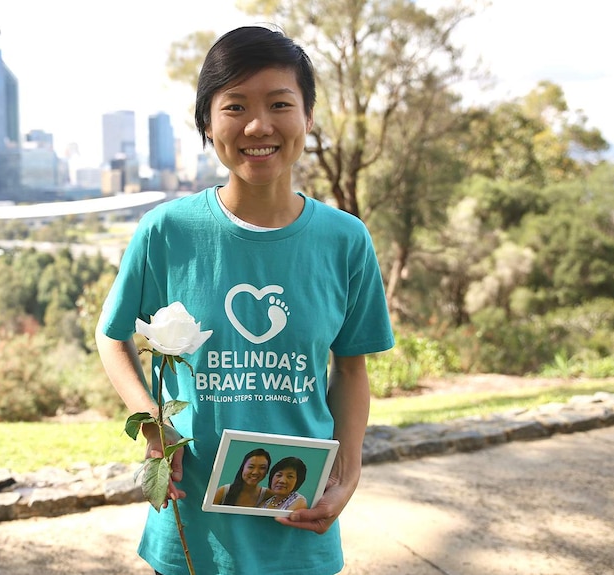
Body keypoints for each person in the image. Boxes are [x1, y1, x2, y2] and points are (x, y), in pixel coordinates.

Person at [95, 24, 395, 575]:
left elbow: (350, 370)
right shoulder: (167, 232)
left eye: (280, 103)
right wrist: (151, 420)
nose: (259, 125)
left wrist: (347, 473)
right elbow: (112, 337)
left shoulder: (346, 240)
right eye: (235, 106)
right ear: (208, 124)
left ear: (308, 116)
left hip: (297, 521)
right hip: (191, 529)